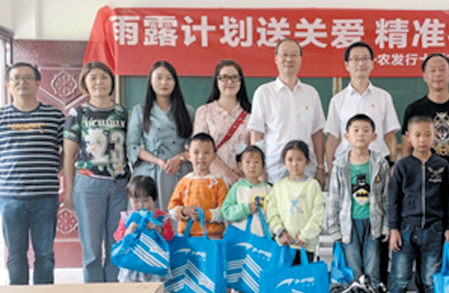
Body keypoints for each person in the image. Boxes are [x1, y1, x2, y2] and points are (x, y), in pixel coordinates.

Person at [0, 62, 64, 285]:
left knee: (45, 254)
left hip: (45, 198)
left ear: (38, 83)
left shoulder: (55, 115)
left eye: (27, 77)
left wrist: (52, 168)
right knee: (16, 255)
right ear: (8, 84)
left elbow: (68, 150)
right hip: (11, 199)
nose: (22, 82)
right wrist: (6, 172)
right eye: (16, 78)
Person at [401, 53, 449, 258]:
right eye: (432, 70)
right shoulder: (414, 109)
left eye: (442, 69)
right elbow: (406, 149)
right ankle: (426, 277)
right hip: (423, 179)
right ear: (424, 76)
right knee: (424, 232)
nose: (437, 74)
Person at [62, 61, 129, 283]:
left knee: (116, 244)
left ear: (111, 82)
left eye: (104, 77)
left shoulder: (122, 112)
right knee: (91, 248)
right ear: (85, 83)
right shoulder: (78, 113)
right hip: (89, 185)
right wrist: (69, 190)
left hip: (119, 185)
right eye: (93, 78)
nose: (99, 82)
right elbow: (69, 154)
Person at [388, 116, 449, 293]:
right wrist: (393, 229)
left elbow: (448, 199)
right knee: (400, 279)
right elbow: (393, 199)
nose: (422, 140)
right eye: (417, 135)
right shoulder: (402, 166)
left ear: (435, 136)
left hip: (434, 229)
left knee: (430, 280)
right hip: (406, 230)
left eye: (427, 135)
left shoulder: (442, 165)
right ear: (408, 136)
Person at [266, 140, 326, 293]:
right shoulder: (279, 186)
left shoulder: (313, 185)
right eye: (290, 159)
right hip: (285, 246)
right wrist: (280, 232)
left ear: (307, 161)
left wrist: (304, 235)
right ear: (284, 162)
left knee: (305, 284)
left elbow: (317, 214)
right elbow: (272, 212)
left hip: (305, 246)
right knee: (285, 283)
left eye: (299, 159)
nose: (294, 164)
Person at [248, 38, 327, 188]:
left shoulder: (311, 93)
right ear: (276, 59)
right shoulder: (264, 92)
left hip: (307, 172)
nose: (289, 59)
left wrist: (320, 167)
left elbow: (317, 134)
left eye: (294, 55)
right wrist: (259, 170)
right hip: (273, 172)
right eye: (284, 55)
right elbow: (256, 134)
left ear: (300, 59)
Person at [326, 114, 391, 286]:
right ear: (346, 136)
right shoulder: (340, 164)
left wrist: (386, 225)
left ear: (374, 136)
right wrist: (334, 229)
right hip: (348, 225)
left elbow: (386, 197)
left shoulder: (380, 162)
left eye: (365, 130)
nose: (360, 134)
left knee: (373, 267)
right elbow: (334, 198)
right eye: (355, 130)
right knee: (353, 268)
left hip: (374, 223)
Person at [126, 61, 194, 210]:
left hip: (179, 170)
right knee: (148, 217)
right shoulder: (140, 110)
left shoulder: (188, 111)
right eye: (159, 77)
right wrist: (158, 161)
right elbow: (132, 147)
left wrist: (178, 159)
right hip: (149, 173)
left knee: (178, 215)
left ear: (175, 82)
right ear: (150, 81)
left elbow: (194, 146)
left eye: (169, 78)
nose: (164, 82)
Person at [324, 41, 400, 170]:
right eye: (355, 59)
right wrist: (331, 172)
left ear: (372, 63)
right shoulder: (337, 100)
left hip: (379, 164)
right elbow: (332, 140)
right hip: (347, 165)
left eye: (365, 59)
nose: (360, 63)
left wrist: (392, 166)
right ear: (347, 65)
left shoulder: (383, 97)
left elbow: (390, 136)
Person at [221, 144, 272, 293]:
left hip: (263, 241)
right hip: (242, 243)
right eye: (247, 162)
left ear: (263, 166)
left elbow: (274, 214)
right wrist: (245, 209)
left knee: (261, 276)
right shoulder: (237, 188)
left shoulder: (268, 189)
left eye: (256, 162)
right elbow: (226, 211)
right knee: (242, 276)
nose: (252, 166)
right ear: (240, 166)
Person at [193, 60, 252, 188]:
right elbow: (200, 149)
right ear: (217, 82)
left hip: (243, 181)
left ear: (241, 82)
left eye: (234, 77)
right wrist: (227, 174)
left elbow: (255, 149)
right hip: (211, 180)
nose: (230, 82)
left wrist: (244, 177)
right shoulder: (204, 112)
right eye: (224, 77)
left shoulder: (251, 114)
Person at [113, 175, 174, 283]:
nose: (141, 205)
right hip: (132, 262)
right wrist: (128, 232)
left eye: (145, 200)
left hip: (154, 261)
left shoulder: (161, 217)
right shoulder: (127, 217)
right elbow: (117, 236)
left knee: (157, 288)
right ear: (130, 199)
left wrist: (158, 229)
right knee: (131, 288)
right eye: (136, 201)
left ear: (154, 199)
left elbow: (170, 236)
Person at [168, 132, 228, 239]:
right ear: (188, 156)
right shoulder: (184, 182)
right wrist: (184, 211)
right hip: (186, 237)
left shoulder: (218, 182)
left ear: (214, 156)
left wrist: (207, 215)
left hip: (213, 236)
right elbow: (171, 209)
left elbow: (225, 211)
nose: (201, 156)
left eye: (206, 152)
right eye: (196, 152)